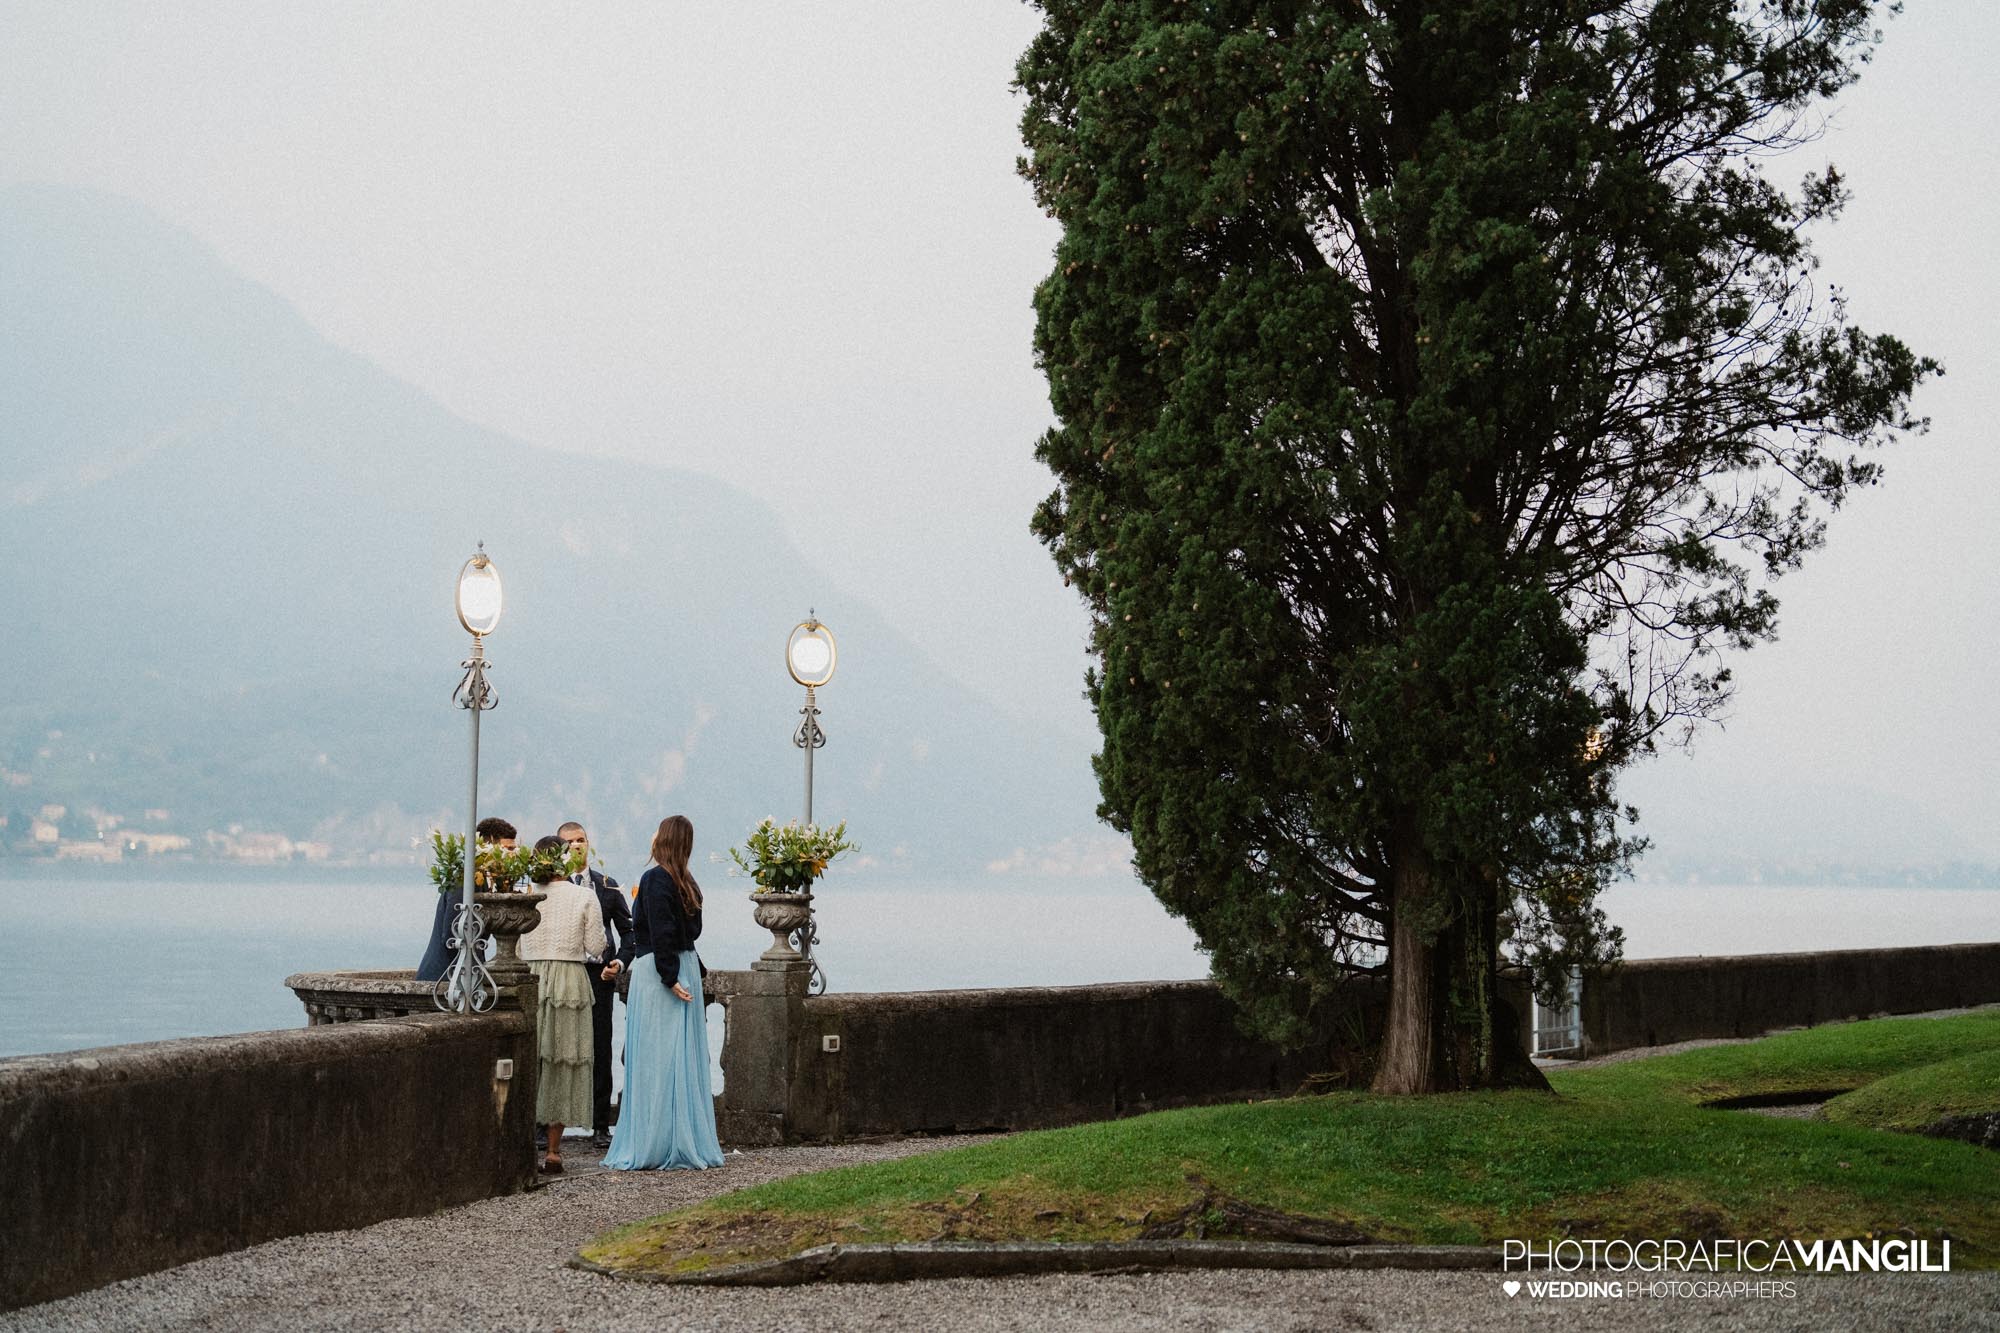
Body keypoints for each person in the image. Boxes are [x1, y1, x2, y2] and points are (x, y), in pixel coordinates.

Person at [604, 815, 723, 1171]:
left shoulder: (654, 879)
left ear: (665, 839)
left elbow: (661, 931)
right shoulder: (688, 882)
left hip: (659, 972)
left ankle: (653, 1142)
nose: (652, 835)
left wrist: (669, 976)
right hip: (683, 965)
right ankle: (680, 1135)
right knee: (680, 1057)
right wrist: (685, 970)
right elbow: (693, 931)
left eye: (657, 830)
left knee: (656, 1057)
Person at [517, 834, 607, 1174]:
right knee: (562, 1061)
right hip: (569, 978)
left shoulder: (528, 897)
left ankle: (521, 1142)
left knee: (530, 1060)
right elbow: (597, 946)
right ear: (563, 862)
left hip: (530, 976)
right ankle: (553, 1152)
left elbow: (515, 947)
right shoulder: (584, 896)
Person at [557, 820, 634, 1149]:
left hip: (599, 978)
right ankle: (547, 1123)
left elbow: (629, 932)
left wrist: (618, 962)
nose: (576, 846)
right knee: (559, 1049)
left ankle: (601, 1125)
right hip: (565, 975)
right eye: (570, 842)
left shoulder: (607, 885)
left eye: (581, 840)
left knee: (601, 1049)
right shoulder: (553, 887)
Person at [416, 816, 516, 982]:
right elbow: (452, 934)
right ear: (488, 846)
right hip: (445, 979)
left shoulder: (485, 879)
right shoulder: (466, 880)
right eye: (508, 849)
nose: (513, 855)